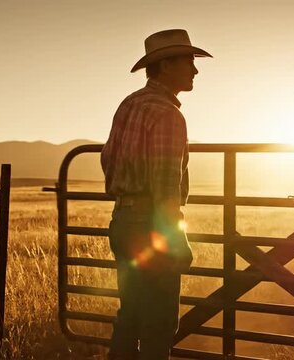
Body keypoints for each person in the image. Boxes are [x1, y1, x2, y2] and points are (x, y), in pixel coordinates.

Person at [100, 29, 212, 360]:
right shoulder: (168, 115)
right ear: (165, 66)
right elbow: (166, 187)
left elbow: (108, 158)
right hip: (150, 226)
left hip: (122, 220)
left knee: (130, 316)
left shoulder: (130, 103)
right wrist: (177, 241)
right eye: (189, 62)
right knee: (159, 325)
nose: (195, 70)